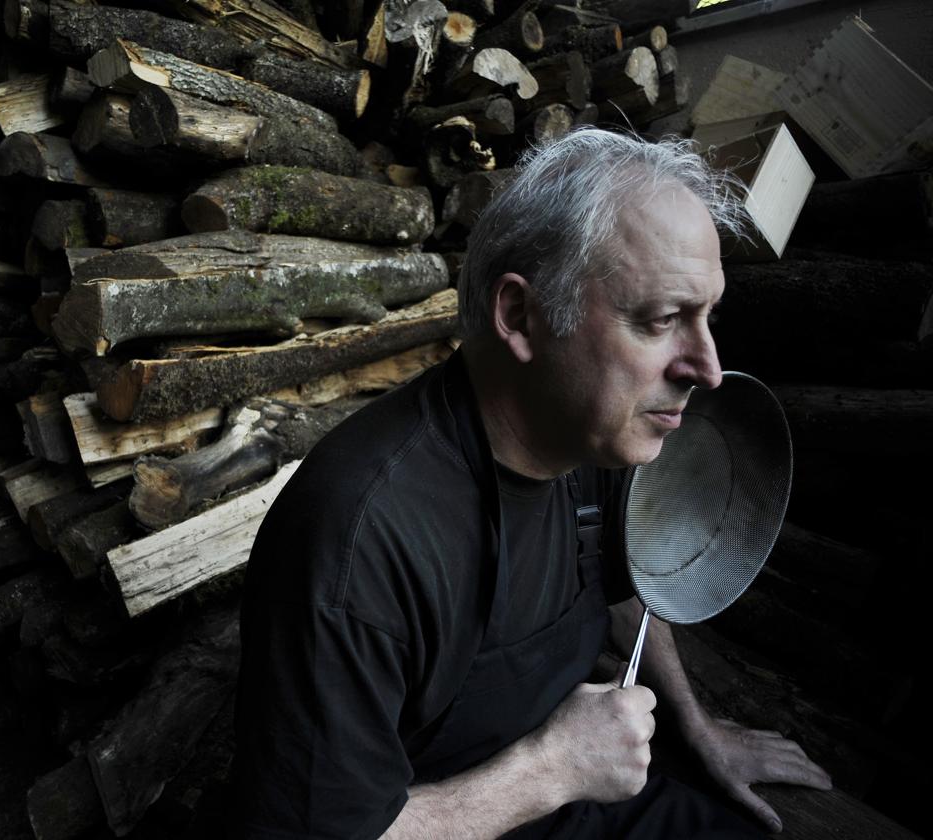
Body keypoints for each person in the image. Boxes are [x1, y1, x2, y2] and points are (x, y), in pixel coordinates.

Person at [230, 129, 832, 839]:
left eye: (708, 317)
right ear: (521, 316)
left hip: (578, 798)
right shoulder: (359, 541)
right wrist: (551, 767)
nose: (705, 367)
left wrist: (699, 730)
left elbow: (629, 583)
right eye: (663, 320)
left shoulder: (592, 436)